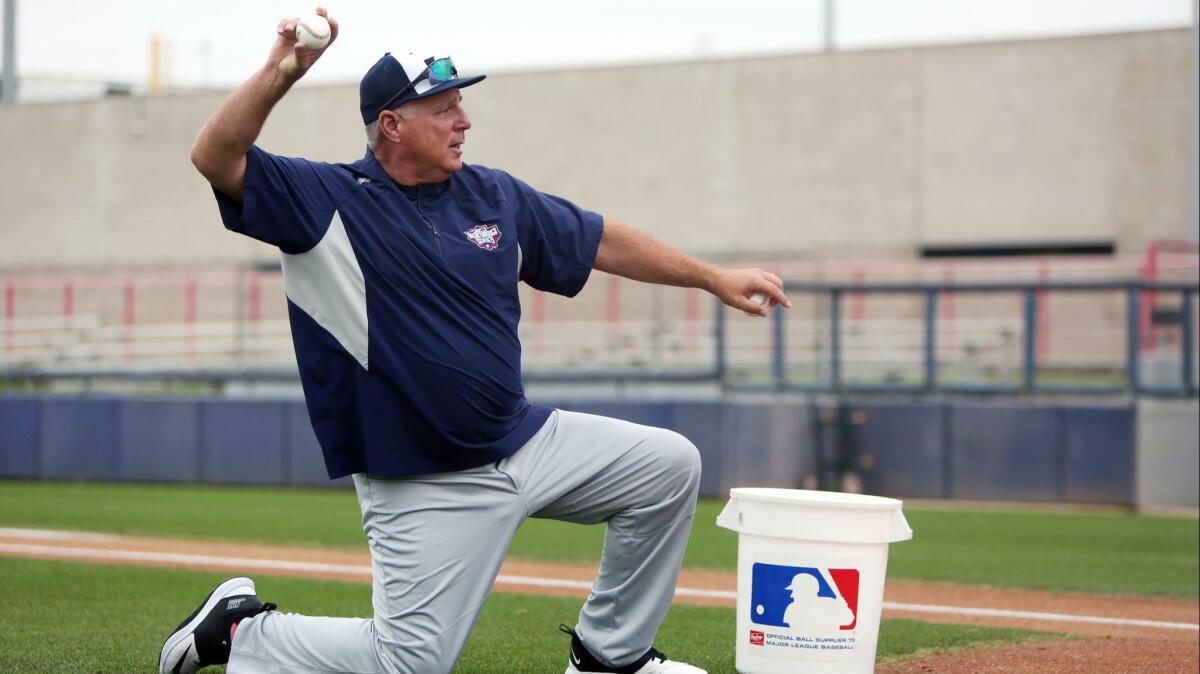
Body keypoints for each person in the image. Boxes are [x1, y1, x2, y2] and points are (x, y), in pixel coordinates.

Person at [159, 8, 790, 674]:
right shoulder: (325, 198)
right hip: (424, 475)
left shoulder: (493, 194)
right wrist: (280, 72)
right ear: (393, 125)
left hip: (523, 441)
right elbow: (215, 157)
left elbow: (598, 238)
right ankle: (241, 636)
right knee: (408, 663)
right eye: (444, 109)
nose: (464, 120)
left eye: (461, 105)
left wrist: (712, 276)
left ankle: (609, 658)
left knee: (666, 468)